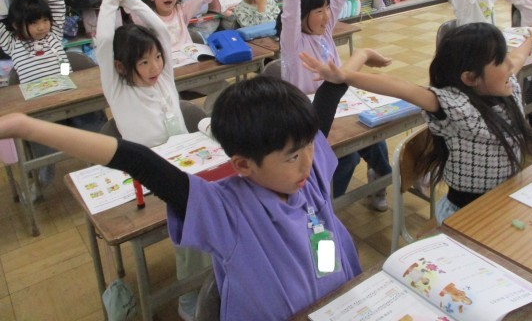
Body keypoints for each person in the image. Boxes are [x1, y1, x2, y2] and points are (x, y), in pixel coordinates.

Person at [0, 49, 392, 320]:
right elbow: (136, 159)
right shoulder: (226, 210)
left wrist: (358, 58)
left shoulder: (306, 171)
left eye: (307, 147)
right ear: (243, 165)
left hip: (340, 304)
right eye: (292, 156)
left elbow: (327, 98)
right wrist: (25, 127)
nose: (309, 160)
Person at [301, 22, 532, 224]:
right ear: (470, 78)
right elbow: (400, 86)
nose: (509, 65)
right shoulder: (455, 106)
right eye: (500, 61)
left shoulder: (508, 87)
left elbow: (518, 56)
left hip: (504, 199)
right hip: (465, 213)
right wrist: (345, 75)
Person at [79, 0, 207, 321]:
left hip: (189, 164)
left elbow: (160, 31)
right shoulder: (119, 89)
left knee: (218, 205)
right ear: (122, 67)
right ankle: (189, 296)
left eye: (157, 59)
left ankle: (213, 278)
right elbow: (106, 42)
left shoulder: (164, 77)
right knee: (191, 216)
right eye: (144, 63)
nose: (155, 68)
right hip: (148, 179)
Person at [280, 0, 393, 210]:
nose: (326, 16)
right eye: (318, 11)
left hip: (340, 105)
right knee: (348, 156)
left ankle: (381, 180)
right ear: (303, 16)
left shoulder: (326, 29)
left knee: (373, 134)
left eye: (327, 9)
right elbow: (290, 9)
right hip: (308, 118)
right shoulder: (293, 42)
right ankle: (324, 205)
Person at [0, 0, 104, 188]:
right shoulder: (13, 43)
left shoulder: (54, 35)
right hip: (38, 108)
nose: (42, 27)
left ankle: (98, 159)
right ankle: (43, 169)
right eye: (34, 23)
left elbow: (57, 4)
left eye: (44, 20)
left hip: (68, 95)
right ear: (16, 25)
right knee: (43, 140)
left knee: (90, 119)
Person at [131, 0, 245, 49]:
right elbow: (134, 7)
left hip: (189, 57)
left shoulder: (182, 11)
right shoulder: (148, 17)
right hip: (166, 64)